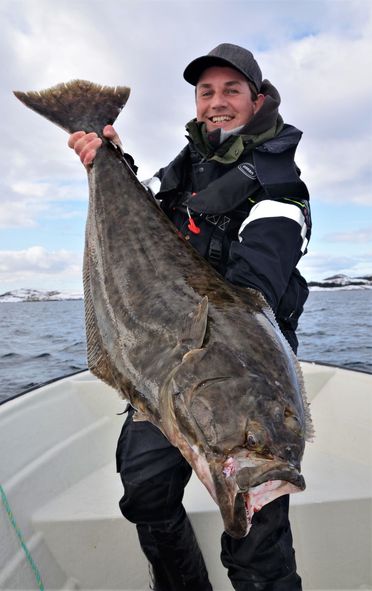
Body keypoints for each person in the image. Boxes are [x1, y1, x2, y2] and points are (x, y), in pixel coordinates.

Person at [69, 43, 311, 591]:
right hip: (166, 367)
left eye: (232, 91)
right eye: (207, 92)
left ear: (258, 100)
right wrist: (108, 158)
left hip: (246, 372)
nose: (217, 102)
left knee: (258, 533)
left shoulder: (280, 186)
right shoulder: (181, 174)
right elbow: (142, 217)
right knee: (145, 492)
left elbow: (257, 283)